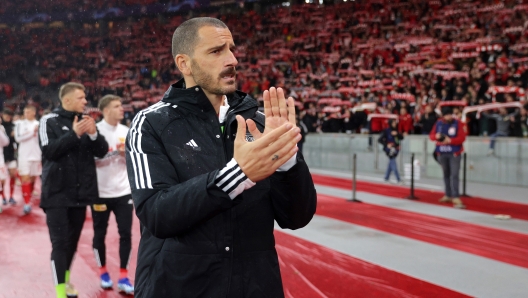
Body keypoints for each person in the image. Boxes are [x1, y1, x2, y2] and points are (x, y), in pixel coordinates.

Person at [126, 17, 317, 298]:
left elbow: (297, 218)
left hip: (254, 287)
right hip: (178, 287)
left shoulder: (261, 121)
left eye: (231, 48)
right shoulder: (152, 123)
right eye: (216, 51)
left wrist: (287, 160)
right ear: (184, 64)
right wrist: (237, 175)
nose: (232, 59)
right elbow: (157, 214)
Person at [39, 82, 108, 298]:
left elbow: (102, 152)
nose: (85, 101)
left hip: (80, 195)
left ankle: (66, 280)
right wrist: (74, 134)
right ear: (66, 100)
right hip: (56, 194)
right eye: (81, 98)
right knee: (60, 243)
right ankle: (60, 291)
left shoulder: (87, 122)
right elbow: (49, 151)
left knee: (72, 243)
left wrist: (95, 133)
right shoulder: (48, 120)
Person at [92, 95, 134, 295]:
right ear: (106, 110)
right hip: (100, 192)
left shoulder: (127, 131)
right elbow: (89, 161)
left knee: (126, 233)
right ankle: (103, 272)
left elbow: (132, 163)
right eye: (117, 106)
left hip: (123, 191)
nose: (122, 109)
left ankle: (124, 275)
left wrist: (125, 154)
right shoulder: (95, 131)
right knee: (99, 233)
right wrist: (112, 153)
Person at [429, 106, 466, 209]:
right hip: (442, 153)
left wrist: (450, 141)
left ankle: (456, 196)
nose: (448, 116)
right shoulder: (438, 123)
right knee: (446, 174)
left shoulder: (457, 123)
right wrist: (435, 136)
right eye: (446, 115)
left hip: (454, 153)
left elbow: (462, 138)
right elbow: (431, 136)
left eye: (449, 114)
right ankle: (448, 194)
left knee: (454, 175)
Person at [14, 105, 41, 214]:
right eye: (25, 112)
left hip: (36, 155)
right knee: (25, 178)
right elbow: (18, 138)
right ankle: (26, 203)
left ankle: (28, 198)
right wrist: (32, 133)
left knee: (32, 179)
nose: (26, 114)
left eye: (28, 112)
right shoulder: (19, 124)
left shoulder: (39, 124)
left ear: (34, 112)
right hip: (24, 155)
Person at [378, 119, 404, 184]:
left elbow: (401, 138)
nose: (395, 124)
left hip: (396, 149)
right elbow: (380, 139)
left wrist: (397, 134)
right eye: (393, 123)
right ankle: (398, 179)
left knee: (391, 163)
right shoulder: (386, 131)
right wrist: (387, 144)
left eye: (395, 123)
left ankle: (386, 177)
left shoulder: (397, 130)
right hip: (389, 149)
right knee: (393, 162)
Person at [1, 109, 17, 206]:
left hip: (11, 154)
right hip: (1, 155)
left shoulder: (14, 126)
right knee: (1, 179)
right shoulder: (1, 127)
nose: (7, 117)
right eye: (6, 115)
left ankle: (11, 196)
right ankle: (3, 197)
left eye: (9, 115)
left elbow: (17, 140)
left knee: (13, 175)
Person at [0, 123, 10, 213]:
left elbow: (6, 142)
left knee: (2, 180)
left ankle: (2, 195)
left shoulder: (1, 128)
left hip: (0, 160)